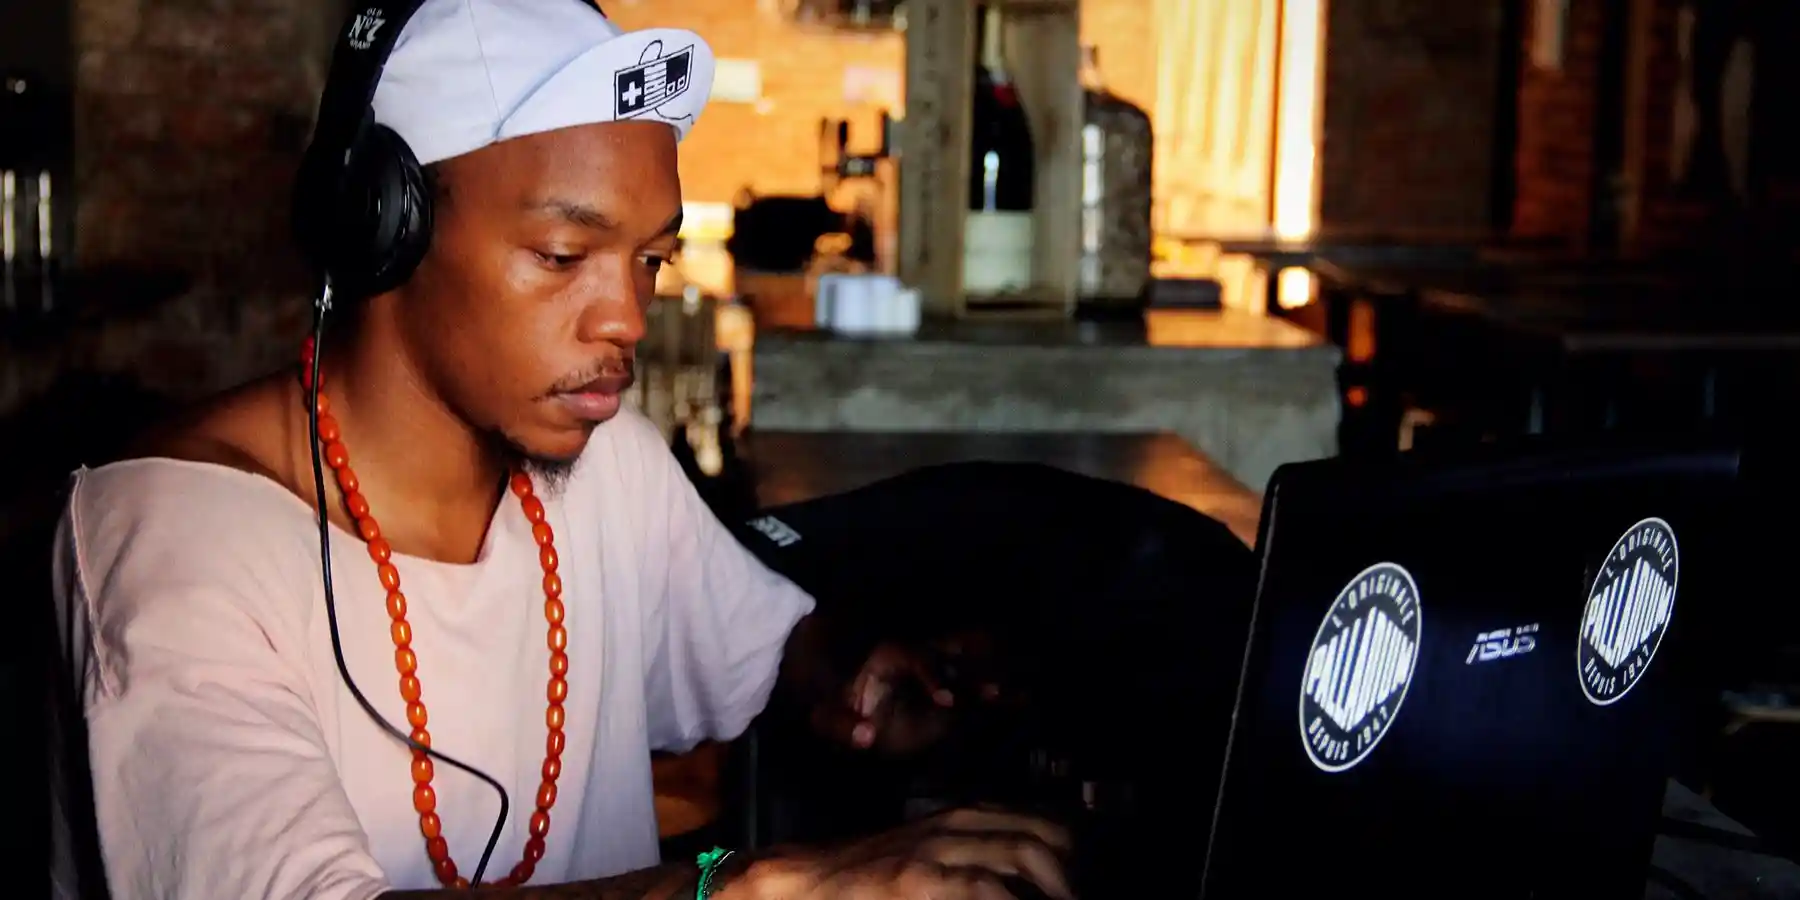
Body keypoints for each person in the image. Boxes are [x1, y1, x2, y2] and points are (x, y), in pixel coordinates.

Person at [49, 2, 1071, 898]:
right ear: (383, 228)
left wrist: (850, 675)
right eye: (564, 255)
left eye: (651, 260)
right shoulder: (171, 538)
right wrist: (755, 887)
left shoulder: (604, 459)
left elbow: (753, 647)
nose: (625, 317)